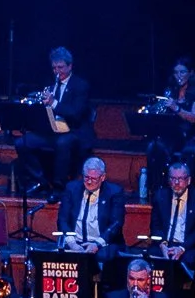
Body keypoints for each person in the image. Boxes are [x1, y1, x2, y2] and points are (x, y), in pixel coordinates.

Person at [13, 47, 93, 196]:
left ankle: (59, 186)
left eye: (61, 67)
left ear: (70, 66)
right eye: (54, 68)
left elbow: (75, 113)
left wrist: (53, 103)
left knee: (63, 143)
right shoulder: (51, 85)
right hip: (53, 130)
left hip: (73, 131)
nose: (57, 71)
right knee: (22, 143)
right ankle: (40, 181)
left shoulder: (80, 86)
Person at [143, 56, 195, 195]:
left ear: (190, 73)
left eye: (182, 72)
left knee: (190, 152)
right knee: (155, 146)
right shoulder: (171, 90)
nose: (178, 76)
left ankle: (190, 192)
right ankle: (159, 189)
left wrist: (176, 108)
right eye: (176, 72)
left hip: (194, 134)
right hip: (175, 134)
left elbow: (193, 117)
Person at [149, 159, 195, 274]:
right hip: (165, 244)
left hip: (188, 246)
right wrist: (163, 246)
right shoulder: (160, 196)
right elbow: (155, 226)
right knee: (150, 258)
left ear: (188, 180)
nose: (176, 183)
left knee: (187, 260)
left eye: (180, 179)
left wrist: (182, 248)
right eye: (173, 179)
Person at [57, 156, 125, 255]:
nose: (89, 182)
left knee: (106, 255)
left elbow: (116, 224)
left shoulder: (114, 193)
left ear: (102, 177)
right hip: (75, 242)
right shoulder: (72, 189)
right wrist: (72, 244)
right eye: (86, 177)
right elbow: (62, 220)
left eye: (93, 179)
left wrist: (97, 244)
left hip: (103, 244)